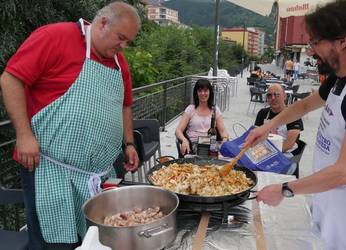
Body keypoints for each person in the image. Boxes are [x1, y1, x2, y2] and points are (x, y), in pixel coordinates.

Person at [244, 1, 346, 249]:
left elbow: (345, 172)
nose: (312, 51)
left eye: (316, 42)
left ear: (342, 41)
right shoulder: (342, 77)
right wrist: (266, 127)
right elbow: (304, 106)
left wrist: (285, 189)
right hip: (329, 192)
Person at [0, 2, 141, 249]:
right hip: (50, 170)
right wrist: (23, 135)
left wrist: (128, 142)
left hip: (96, 176)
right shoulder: (54, 37)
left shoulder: (119, 63)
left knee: (90, 241)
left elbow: (125, 105)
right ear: (103, 23)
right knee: (52, 243)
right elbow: (11, 78)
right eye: (121, 38)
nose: (123, 47)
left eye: (128, 42)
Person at [176, 79, 229, 156]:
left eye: (205, 90)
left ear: (210, 92)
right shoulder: (190, 109)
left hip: (211, 145)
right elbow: (178, 130)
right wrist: (184, 140)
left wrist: (224, 139)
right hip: (194, 144)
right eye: (200, 91)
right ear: (196, 93)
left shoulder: (215, 110)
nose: (203, 93)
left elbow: (223, 130)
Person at [254, 83, 303, 156]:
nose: (273, 98)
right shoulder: (262, 113)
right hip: (263, 151)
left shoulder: (293, 115)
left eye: (277, 95)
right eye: (269, 95)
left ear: (284, 96)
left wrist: (269, 154)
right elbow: (256, 136)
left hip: (285, 154)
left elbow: (289, 144)